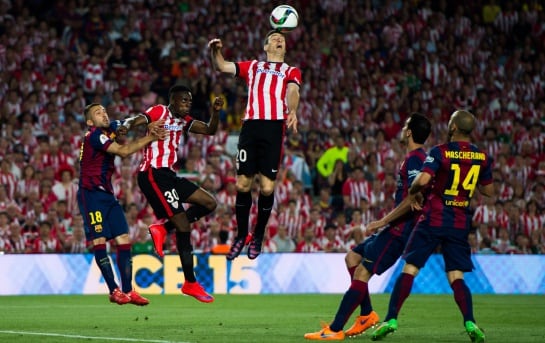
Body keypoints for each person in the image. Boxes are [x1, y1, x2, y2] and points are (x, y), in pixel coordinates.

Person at [303, 112, 432, 340]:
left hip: (399, 231)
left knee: (363, 272)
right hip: (394, 228)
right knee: (352, 258)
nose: (402, 128)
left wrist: (382, 221)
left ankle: (334, 330)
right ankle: (366, 314)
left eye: (405, 125)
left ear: (410, 131)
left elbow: (413, 199)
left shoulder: (415, 159)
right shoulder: (417, 158)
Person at [369, 110, 494, 343]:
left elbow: (423, 180)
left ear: (454, 127)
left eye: (450, 121)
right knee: (456, 276)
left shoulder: (440, 152)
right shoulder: (482, 156)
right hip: (459, 223)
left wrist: (414, 191)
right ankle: (470, 322)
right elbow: (488, 191)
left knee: (410, 268)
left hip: (434, 219)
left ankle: (391, 319)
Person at [208, 30, 301, 260]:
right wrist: (215, 51)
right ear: (265, 46)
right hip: (250, 127)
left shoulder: (290, 71)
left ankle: (258, 235)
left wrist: (293, 109)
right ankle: (242, 235)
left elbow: (293, 90)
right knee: (242, 184)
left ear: (285, 48)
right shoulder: (253, 66)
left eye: (282, 39)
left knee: (268, 188)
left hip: (273, 129)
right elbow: (222, 66)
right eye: (274, 38)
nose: (279, 40)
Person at [126, 84, 224, 303]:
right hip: (152, 174)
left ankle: (162, 228)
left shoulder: (184, 121)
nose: (187, 104)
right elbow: (139, 119)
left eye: (189, 101)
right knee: (184, 226)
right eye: (183, 101)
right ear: (173, 100)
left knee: (209, 203)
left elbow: (210, 130)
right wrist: (126, 124)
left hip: (169, 176)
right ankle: (190, 283)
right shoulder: (159, 111)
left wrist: (216, 113)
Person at [77, 103, 166, 306]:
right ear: (90, 121)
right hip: (90, 195)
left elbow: (129, 123)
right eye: (98, 113)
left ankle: (128, 290)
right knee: (99, 240)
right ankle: (113, 290)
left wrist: (150, 123)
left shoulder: (110, 129)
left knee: (124, 238)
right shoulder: (94, 135)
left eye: (104, 111)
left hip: (107, 195)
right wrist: (151, 137)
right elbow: (124, 151)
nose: (104, 114)